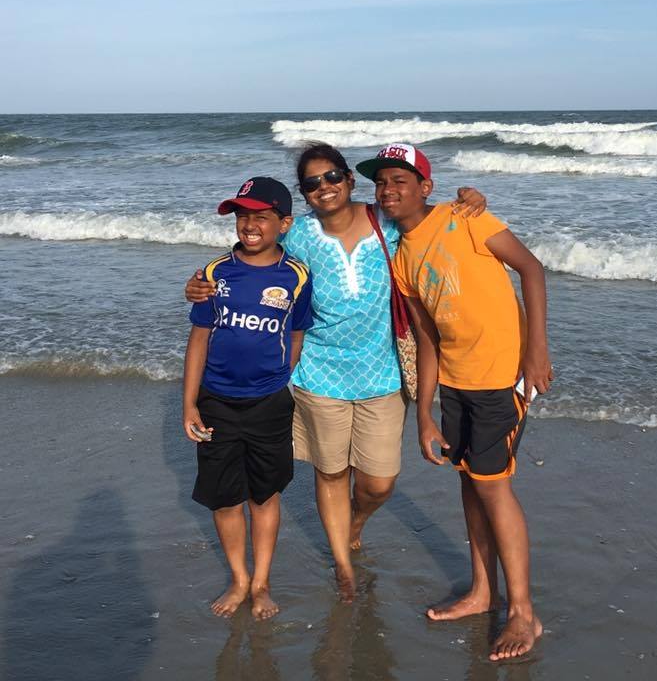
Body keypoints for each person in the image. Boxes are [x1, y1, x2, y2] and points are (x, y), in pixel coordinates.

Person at [185, 143, 487, 601]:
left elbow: (425, 215)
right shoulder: (301, 234)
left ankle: (357, 519)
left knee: (378, 481)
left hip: (382, 374)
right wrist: (200, 283)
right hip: (317, 374)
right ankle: (343, 566)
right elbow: (254, 249)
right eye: (311, 183)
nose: (323, 188)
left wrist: (470, 200)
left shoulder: (385, 221)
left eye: (331, 178)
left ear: (348, 180)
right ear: (303, 195)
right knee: (330, 473)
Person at [355, 142, 552, 661]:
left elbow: (531, 270)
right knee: (471, 485)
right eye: (381, 183)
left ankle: (524, 613)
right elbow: (426, 339)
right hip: (457, 385)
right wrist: (423, 414)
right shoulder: (402, 258)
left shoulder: (467, 218)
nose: (389, 190)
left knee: (493, 489)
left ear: (426, 186)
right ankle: (483, 592)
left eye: (400, 180)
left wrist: (536, 352)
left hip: (500, 378)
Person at [183, 176, 313, 620]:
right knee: (224, 498)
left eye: (261, 216)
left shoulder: (296, 276)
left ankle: (262, 583)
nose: (249, 224)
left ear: (284, 223)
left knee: (264, 495)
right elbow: (199, 338)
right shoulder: (214, 274)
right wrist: (189, 404)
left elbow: (295, 334)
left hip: (269, 404)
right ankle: (239, 579)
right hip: (216, 401)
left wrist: (279, 378)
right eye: (242, 216)